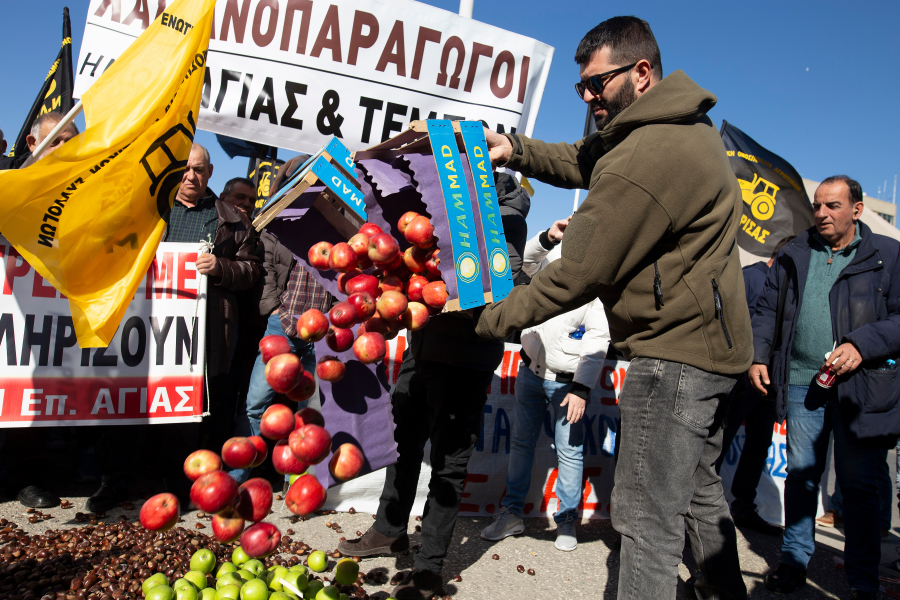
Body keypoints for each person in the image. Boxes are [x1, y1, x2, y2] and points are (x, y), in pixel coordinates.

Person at [475, 16, 753, 600]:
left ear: (642, 73)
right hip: (709, 349)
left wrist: (486, 320)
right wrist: (515, 149)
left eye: (597, 85)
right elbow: (584, 158)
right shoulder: (675, 127)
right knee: (701, 497)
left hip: (673, 356)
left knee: (644, 520)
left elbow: (577, 273)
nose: (588, 98)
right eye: (581, 88)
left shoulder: (649, 153)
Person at [338, 172, 530, 600]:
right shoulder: (436, 209)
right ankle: (389, 529)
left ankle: (429, 568)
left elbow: (503, 285)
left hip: (466, 356)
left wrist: (438, 284)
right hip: (422, 350)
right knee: (401, 443)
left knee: (449, 462)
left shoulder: (506, 219)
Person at [85, 144, 262, 511]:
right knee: (127, 407)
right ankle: (114, 483)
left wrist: (222, 268)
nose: (190, 176)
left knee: (183, 415)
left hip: (196, 337)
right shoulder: (146, 209)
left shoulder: (232, 220)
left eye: (198, 170)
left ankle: (177, 487)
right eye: (184, 169)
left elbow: (253, 273)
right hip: (140, 328)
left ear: (209, 174)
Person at [749, 176, 900, 600]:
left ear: (857, 208)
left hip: (864, 389)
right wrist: (759, 355)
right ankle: (794, 561)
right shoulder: (795, 252)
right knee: (801, 479)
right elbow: (766, 311)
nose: (821, 213)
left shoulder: (888, 255)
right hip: (801, 385)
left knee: (859, 485)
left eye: (832, 205)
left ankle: (862, 580)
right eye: (817, 205)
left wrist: (861, 344)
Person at [480, 216, 609, 551]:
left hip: (568, 387)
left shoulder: (596, 284)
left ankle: (566, 520)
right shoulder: (552, 262)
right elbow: (527, 261)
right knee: (521, 444)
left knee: (569, 452)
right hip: (530, 375)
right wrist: (548, 237)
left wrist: (582, 388)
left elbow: (598, 340)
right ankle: (511, 513)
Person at [220, 174, 332, 483]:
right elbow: (266, 265)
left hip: (319, 332)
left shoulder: (341, 227)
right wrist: (273, 308)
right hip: (281, 325)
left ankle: (299, 481)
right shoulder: (284, 222)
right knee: (256, 401)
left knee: (308, 412)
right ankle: (239, 472)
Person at [0, 112, 81, 509]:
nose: (67, 149)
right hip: (9, 306)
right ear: (32, 145)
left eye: (73, 140)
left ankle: (27, 478)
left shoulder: (87, 191)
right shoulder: (8, 186)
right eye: (58, 140)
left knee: (29, 398)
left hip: (47, 317)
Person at [715, 237, 794, 537]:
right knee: (720, 441)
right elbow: (729, 321)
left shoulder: (792, 288)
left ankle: (743, 507)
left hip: (773, 382)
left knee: (759, 444)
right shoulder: (751, 277)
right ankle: (698, 511)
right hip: (741, 377)